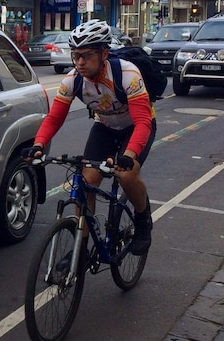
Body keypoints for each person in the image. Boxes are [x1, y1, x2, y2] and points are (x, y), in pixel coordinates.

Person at [21, 19, 156, 256]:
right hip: (104, 126)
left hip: (135, 128)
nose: (80, 62)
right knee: (85, 182)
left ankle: (143, 219)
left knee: (126, 174)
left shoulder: (127, 75)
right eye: (75, 56)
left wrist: (128, 155)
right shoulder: (73, 80)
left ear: (104, 53)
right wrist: (39, 144)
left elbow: (143, 122)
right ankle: (80, 249)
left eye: (86, 55)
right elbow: (54, 118)